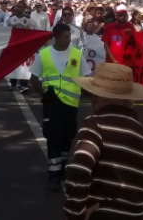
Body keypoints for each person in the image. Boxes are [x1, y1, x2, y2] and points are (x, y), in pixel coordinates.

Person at [63, 63, 143, 219]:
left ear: (96, 97)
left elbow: (80, 168)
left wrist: (75, 213)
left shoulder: (95, 126)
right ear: (130, 99)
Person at [30, 23, 92, 192]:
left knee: (68, 137)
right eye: (65, 37)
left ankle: (62, 165)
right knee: (53, 137)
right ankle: (54, 175)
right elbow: (34, 78)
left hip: (71, 104)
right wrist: (44, 94)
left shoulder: (76, 54)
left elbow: (86, 77)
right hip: (52, 104)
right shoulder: (44, 54)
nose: (69, 40)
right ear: (56, 37)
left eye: (69, 36)